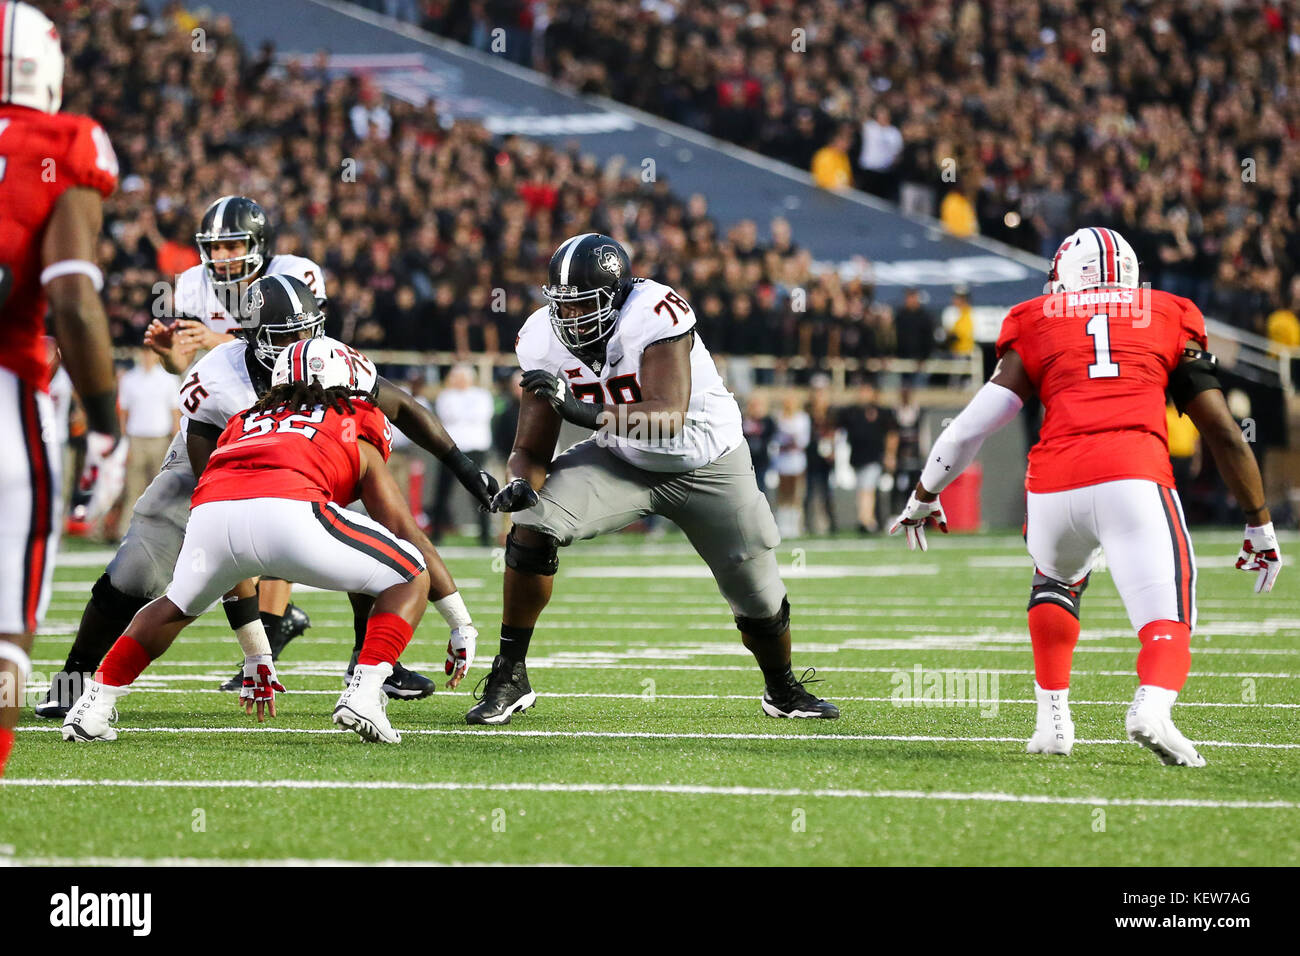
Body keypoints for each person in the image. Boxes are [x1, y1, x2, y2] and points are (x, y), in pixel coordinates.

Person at [890, 227, 1282, 767]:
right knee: (1166, 618)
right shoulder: (1168, 312)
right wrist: (1259, 522)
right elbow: (1222, 431)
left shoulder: (1035, 320)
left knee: (1055, 580)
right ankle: (1152, 708)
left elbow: (966, 431)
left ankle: (1052, 722)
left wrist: (924, 495)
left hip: (1052, 488)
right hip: (1133, 479)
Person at [35, 273, 497, 718]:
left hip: (290, 477)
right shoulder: (217, 378)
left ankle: (373, 662)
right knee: (136, 575)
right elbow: (214, 497)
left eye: (306, 332)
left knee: (363, 533)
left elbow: (403, 406)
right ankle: (74, 680)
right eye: (282, 336)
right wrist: (254, 643)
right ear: (247, 339)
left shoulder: (332, 362)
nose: (299, 345)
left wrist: (465, 468)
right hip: (213, 465)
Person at [477, 233, 837, 724]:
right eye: (563, 306)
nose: (571, 319)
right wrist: (520, 481)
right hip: (622, 461)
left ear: (617, 294)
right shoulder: (541, 337)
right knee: (532, 525)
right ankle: (509, 674)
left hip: (708, 461)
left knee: (757, 595)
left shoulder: (655, 313)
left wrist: (580, 409)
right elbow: (529, 449)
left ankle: (782, 688)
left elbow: (666, 417)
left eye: (584, 306)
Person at [0, 2, 125, 776]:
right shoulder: (64, 142)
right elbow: (74, 297)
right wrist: (104, 424)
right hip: (9, 401)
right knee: (7, 632)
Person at [430, 363, 494, 546]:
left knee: (480, 492)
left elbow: (480, 415)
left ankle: (485, 536)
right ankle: (436, 534)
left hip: (476, 449)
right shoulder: (445, 396)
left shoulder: (482, 396)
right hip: (452, 450)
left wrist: (463, 416)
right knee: (442, 493)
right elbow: (449, 416)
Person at [116, 348, 181, 525]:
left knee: (161, 489)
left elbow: (175, 413)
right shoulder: (129, 379)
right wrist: (123, 443)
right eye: (144, 352)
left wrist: (176, 444)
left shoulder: (169, 379)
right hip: (136, 439)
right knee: (133, 487)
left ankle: (159, 530)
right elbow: (123, 413)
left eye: (150, 352)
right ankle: (126, 529)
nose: (147, 356)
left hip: (160, 439)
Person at [838, 383, 898, 533]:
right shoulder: (851, 412)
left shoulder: (882, 412)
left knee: (867, 488)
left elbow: (892, 434)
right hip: (857, 458)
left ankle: (866, 520)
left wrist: (890, 455)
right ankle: (867, 520)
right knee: (862, 489)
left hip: (874, 458)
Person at [771, 392, 810, 538]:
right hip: (783, 459)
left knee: (796, 493)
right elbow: (777, 438)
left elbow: (803, 440)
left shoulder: (803, 418)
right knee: (783, 493)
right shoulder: (779, 416)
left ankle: (794, 525)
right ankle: (782, 524)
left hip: (797, 460)